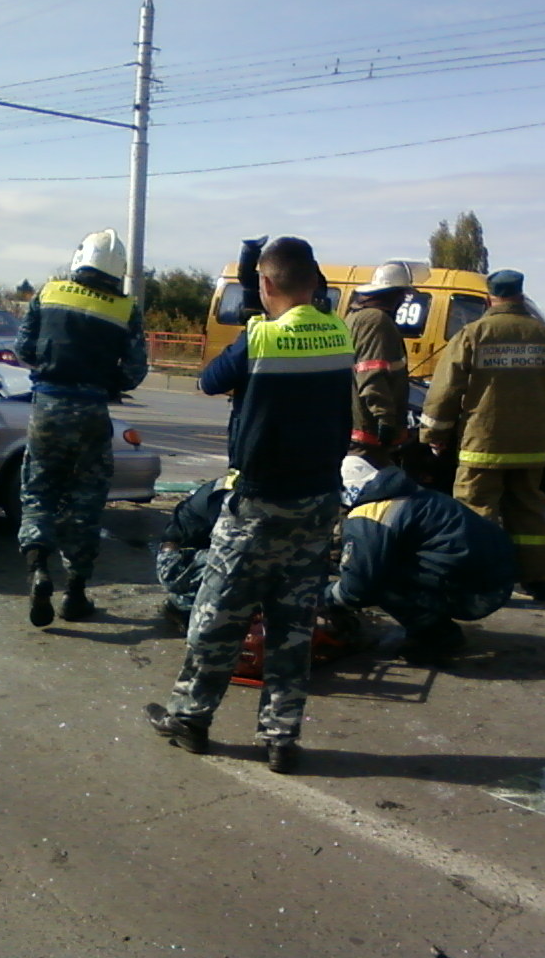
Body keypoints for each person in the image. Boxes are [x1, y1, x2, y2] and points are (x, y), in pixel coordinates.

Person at [144, 236, 353, 775]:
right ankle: (281, 738)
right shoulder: (338, 333)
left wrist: (254, 321)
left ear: (264, 283)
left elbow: (209, 380)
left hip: (259, 504)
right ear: (315, 282)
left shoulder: (260, 338)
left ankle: (191, 719)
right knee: (293, 624)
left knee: (218, 616)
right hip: (318, 502)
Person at [13, 229, 148, 627]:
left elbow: (24, 348)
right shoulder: (125, 308)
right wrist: (108, 383)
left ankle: (38, 569)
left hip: (47, 409)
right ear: (117, 269)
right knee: (86, 501)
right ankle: (74, 593)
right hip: (92, 413)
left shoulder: (49, 292)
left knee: (39, 490)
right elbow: (135, 370)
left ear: (80, 259)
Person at [419, 269, 545, 602]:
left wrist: (434, 433)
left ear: (490, 298)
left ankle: (478, 579)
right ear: (521, 295)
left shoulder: (475, 333)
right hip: (532, 445)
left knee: (477, 509)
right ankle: (536, 578)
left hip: (484, 443)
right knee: (528, 511)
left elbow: (446, 390)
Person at [327, 464, 515, 666]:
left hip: (476, 594)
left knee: (379, 579)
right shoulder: (412, 494)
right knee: (380, 565)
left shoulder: (370, 515)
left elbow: (359, 587)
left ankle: (435, 636)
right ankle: (436, 627)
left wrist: (324, 597)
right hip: (498, 579)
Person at [345, 261, 414, 469]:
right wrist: (385, 419)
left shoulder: (357, 316)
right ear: (395, 294)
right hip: (369, 436)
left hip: (357, 430)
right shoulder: (376, 320)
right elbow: (371, 372)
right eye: (403, 295)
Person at [153, 475, 229, 632]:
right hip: (176, 564)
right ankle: (182, 604)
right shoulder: (230, 493)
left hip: (201, 552)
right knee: (243, 566)